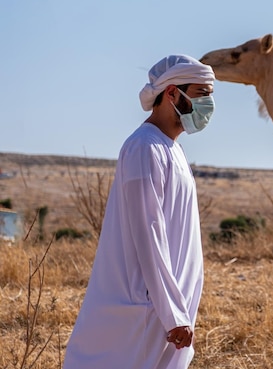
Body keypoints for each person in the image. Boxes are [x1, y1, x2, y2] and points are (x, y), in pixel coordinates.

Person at [63, 54, 215, 369]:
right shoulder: (145, 148)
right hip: (142, 311)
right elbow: (149, 233)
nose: (208, 107)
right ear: (172, 93)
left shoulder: (171, 149)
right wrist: (171, 311)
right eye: (202, 96)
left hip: (163, 312)